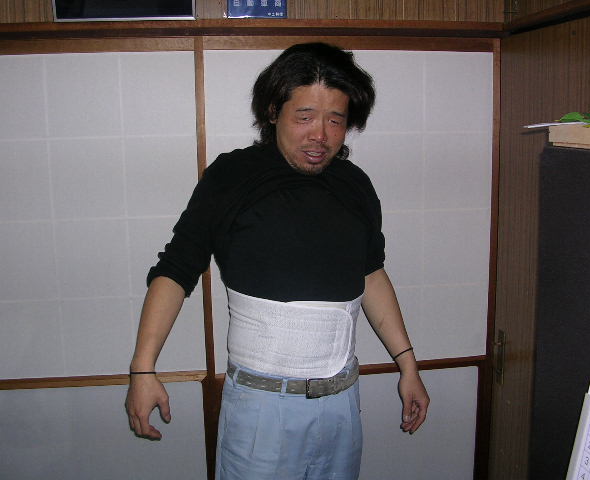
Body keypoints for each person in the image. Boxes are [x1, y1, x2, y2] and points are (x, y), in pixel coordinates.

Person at [125, 42, 429, 480]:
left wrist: (408, 365)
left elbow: (371, 274)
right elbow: (175, 270)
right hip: (261, 410)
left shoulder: (355, 185)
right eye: (305, 116)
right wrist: (143, 369)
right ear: (273, 112)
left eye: (335, 120)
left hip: (342, 403)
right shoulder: (232, 176)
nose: (320, 135)